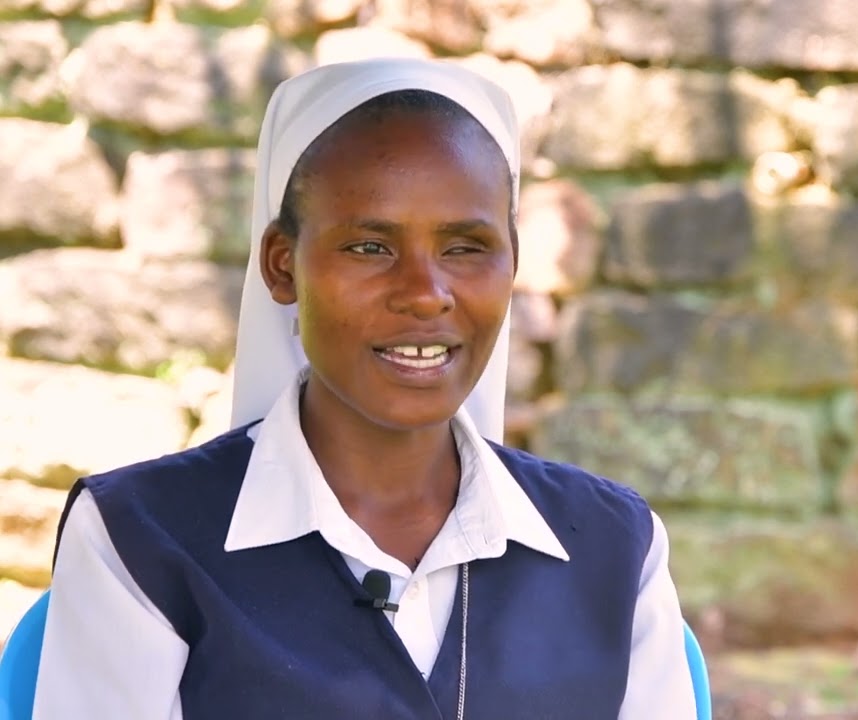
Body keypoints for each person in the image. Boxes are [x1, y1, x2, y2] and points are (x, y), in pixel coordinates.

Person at [32, 58, 698, 720]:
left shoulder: (614, 551)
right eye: (370, 247)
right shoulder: (141, 543)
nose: (424, 294)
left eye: (465, 247)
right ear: (282, 264)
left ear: (512, 263)